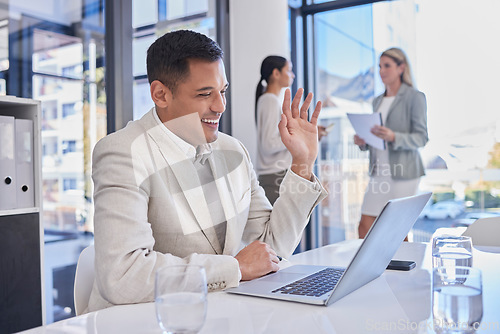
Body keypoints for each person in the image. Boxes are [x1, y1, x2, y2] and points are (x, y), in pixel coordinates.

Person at [88, 30, 327, 312]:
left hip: (215, 315)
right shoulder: (123, 151)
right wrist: (234, 267)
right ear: (160, 94)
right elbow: (123, 275)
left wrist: (302, 161)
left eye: (223, 91)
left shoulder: (234, 151)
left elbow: (271, 247)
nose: (220, 106)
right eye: (205, 94)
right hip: (142, 320)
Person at [354, 47, 428, 238]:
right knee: (365, 224)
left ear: (401, 67)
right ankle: (367, 267)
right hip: (380, 171)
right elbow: (375, 138)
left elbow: (421, 137)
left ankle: (402, 268)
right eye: (379, 66)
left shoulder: (415, 97)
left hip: (404, 173)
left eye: (387, 66)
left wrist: (394, 136)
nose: (381, 71)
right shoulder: (377, 101)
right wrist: (363, 141)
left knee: (397, 230)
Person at [255, 56, 327, 204]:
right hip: (274, 177)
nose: (293, 75)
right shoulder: (270, 100)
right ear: (276, 73)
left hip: (277, 176)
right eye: (289, 70)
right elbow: (268, 145)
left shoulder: (270, 100)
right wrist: (297, 137)